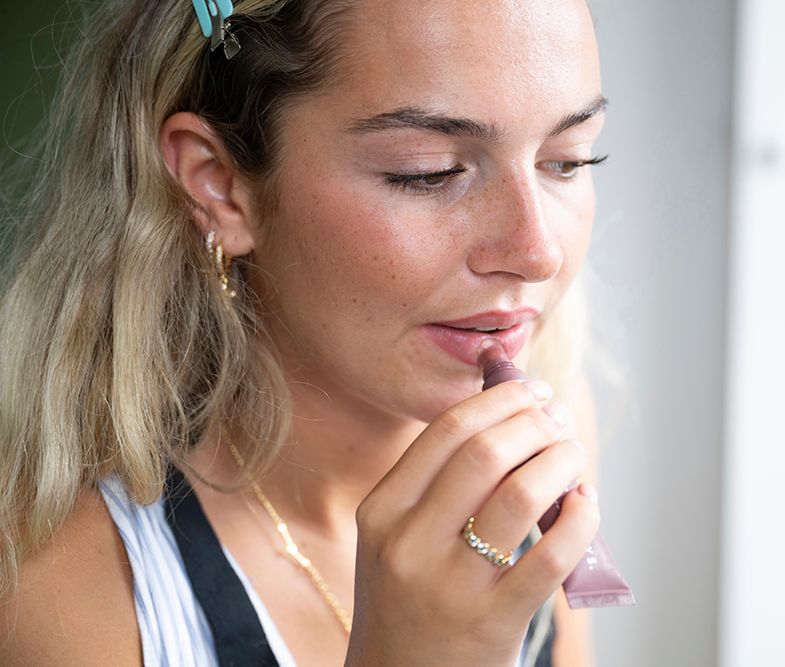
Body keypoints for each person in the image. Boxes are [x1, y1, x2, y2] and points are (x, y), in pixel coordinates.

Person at [0, 0, 608, 664]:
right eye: (428, 171)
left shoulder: (539, 440)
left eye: (569, 161)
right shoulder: (46, 580)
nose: (538, 252)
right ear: (220, 184)